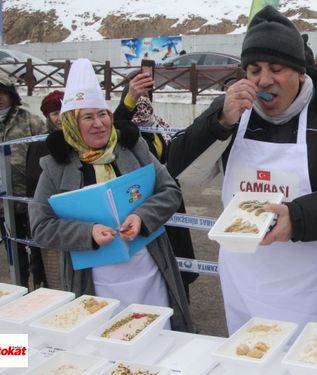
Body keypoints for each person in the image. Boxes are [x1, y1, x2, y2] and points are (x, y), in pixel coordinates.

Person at [167, 6, 317, 335]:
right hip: (245, 285)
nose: (264, 80)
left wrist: (296, 217)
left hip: (311, 291)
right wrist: (219, 121)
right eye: (254, 69)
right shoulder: (229, 113)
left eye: (276, 68)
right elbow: (179, 172)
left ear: (300, 71)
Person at [28, 59, 194, 332]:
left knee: (156, 333)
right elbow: (41, 227)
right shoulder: (56, 167)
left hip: (149, 268)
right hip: (94, 279)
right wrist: (88, 232)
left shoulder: (133, 149)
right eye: (88, 117)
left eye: (103, 114)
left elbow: (169, 191)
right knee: (106, 341)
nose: (99, 124)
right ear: (71, 123)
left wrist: (141, 218)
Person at [113, 72, 199, 300]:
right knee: (159, 259)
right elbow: (117, 123)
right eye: (138, 97)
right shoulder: (125, 131)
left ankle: (183, 306)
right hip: (144, 203)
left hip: (168, 196)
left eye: (147, 96)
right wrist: (129, 100)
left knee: (178, 259)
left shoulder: (158, 125)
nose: (144, 102)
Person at [0, 72, 48, 288]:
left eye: (3, 93)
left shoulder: (29, 120)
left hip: (24, 200)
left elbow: (44, 154)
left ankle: (26, 289)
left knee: (27, 250)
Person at [24, 90, 65, 289]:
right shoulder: (39, 145)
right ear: (47, 117)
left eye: (64, 111)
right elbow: (31, 182)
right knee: (54, 276)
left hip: (74, 221)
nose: (60, 118)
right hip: (50, 219)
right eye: (55, 113)